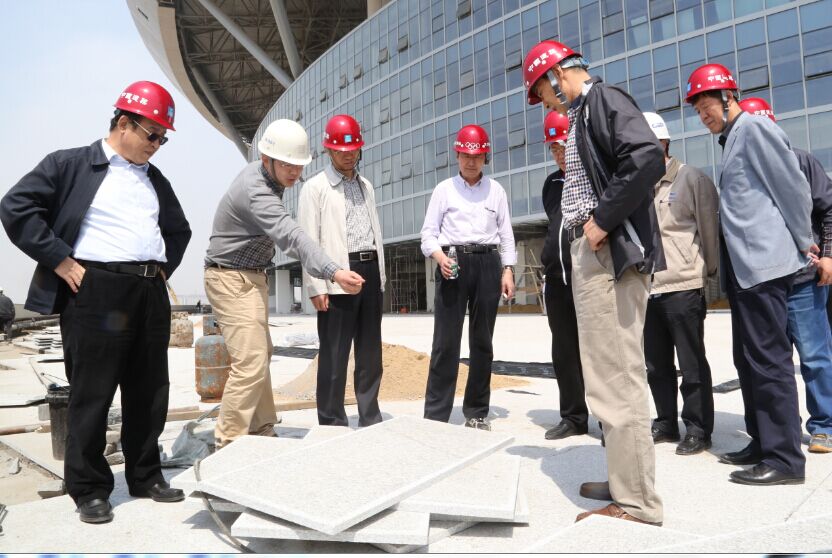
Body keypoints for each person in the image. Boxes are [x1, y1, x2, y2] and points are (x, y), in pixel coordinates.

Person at [0, 81, 191, 524]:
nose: (157, 145)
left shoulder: (153, 178)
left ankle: (145, 475)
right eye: (152, 135)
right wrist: (60, 259)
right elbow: (15, 207)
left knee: (149, 389)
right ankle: (88, 487)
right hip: (97, 290)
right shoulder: (70, 164)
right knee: (93, 391)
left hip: (148, 292)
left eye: (163, 139)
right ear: (124, 123)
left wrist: (162, 270)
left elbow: (178, 230)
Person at [523, 40, 665, 526]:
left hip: (608, 257)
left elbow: (646, 157)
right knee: (606, 376)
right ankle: (625, 479)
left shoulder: (602, 99)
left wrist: (602, 219)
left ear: (556, 75)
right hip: (595, 258)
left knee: (617, 377)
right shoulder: (585, 113)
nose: (546, 103)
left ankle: (636, 501)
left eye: (543, 93)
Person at [686, 64, 815, 486]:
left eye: (707, 106)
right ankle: (762, 441)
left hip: (764, 265)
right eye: (698, 111)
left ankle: (785, 459)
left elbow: (792, 187)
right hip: (745, 270)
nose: (704, 116)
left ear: (728, 97)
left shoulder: (755, 128)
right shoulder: (733, 137)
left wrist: (803, 240)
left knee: (770, 361)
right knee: (748, 360)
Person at [204, 119, 364, 449]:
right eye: (288, 165)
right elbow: (290, 235)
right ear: (267, 159)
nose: (294, 173)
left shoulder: (269, 178)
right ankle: (227, 444)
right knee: (250, 360)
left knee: (260, 354)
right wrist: (333, 272)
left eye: (298, 166)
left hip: (250, 276)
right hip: (230, 278)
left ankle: (261, 428)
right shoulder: (256, 190)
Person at [739, 97, 832, 455]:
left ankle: (824, 425)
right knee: (771, 364)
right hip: (764, 284)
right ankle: (782, 431)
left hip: (802, 280)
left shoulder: (801, 161)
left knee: (815, 356)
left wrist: (828, 255)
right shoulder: (743, 168)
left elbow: (828, 209)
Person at [420, 124, 516, 432]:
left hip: (488, 263)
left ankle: (476, 412)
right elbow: (428, 234)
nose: (471, 162)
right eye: (465, 155)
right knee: (445, 341)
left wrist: (508, 269)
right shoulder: (444, 190)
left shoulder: (496, 191)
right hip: (453, 262)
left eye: (476, 156)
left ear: (485, 157)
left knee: (482, 341)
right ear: (457, 155)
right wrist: (440, 258)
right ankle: (436, 415)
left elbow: (506, 235)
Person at [298, 114, 385, 427]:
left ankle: (370, 415)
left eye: (353, 149)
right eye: (341, 150)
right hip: (336, 274)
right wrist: (316, 286)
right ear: (328, 150)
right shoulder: (315, 188)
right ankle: (332, 419)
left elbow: (374, 231)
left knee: (370, 352)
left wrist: (380, 277)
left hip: (369, 270)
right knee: (334, 354)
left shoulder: (366, 186)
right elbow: (307, 240)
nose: (348, 155)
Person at [641, 112, 718, 456]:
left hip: (683, 285)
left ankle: (698, 429)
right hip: (648, 288)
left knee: (691, 363)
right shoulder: (636, 186)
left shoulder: (691, 178)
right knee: (656, 365)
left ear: (664, 143)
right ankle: (666, 422)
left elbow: (709, 232)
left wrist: (705, 274)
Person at [539, 111, 589, 441]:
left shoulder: (591, 176)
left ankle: (610, 421)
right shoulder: (550, 184)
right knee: (564, 351)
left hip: (587, 278)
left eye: (563, 147)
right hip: (557, 281)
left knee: (597, 351)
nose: (559, 155)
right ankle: (573, 417)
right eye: (554, 149)